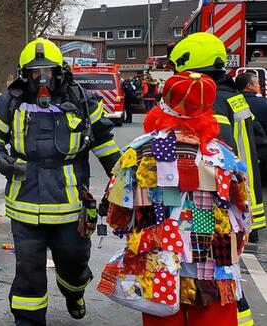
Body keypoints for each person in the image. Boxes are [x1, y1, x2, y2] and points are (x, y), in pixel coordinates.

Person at [0, 38, 120, 325]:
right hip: (25, 202)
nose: (42, 78)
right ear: (25, 73)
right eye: (35, 72)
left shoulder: (80, 98)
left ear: (59, 71)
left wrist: (120, 178)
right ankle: (28, 321)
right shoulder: (12, 100)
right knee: (28, 269)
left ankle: (74, 293)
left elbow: (104, 141)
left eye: (47, 71)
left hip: (70, 204)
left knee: (73, 263)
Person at [99, 71, 252, 325]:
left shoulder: (138, 152)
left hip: (158, 262)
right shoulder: (225, 157)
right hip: (215, 265)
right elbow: (242, 212)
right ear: (207, 110)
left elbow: (118, 215)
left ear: (165, 103)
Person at [169, 32, 265, 326]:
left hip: (210, 206)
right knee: (226, 269)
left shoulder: (208, 103)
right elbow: (258, 144)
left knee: (209, 270)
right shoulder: (236, 100)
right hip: (240, 204)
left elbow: (203, 161)